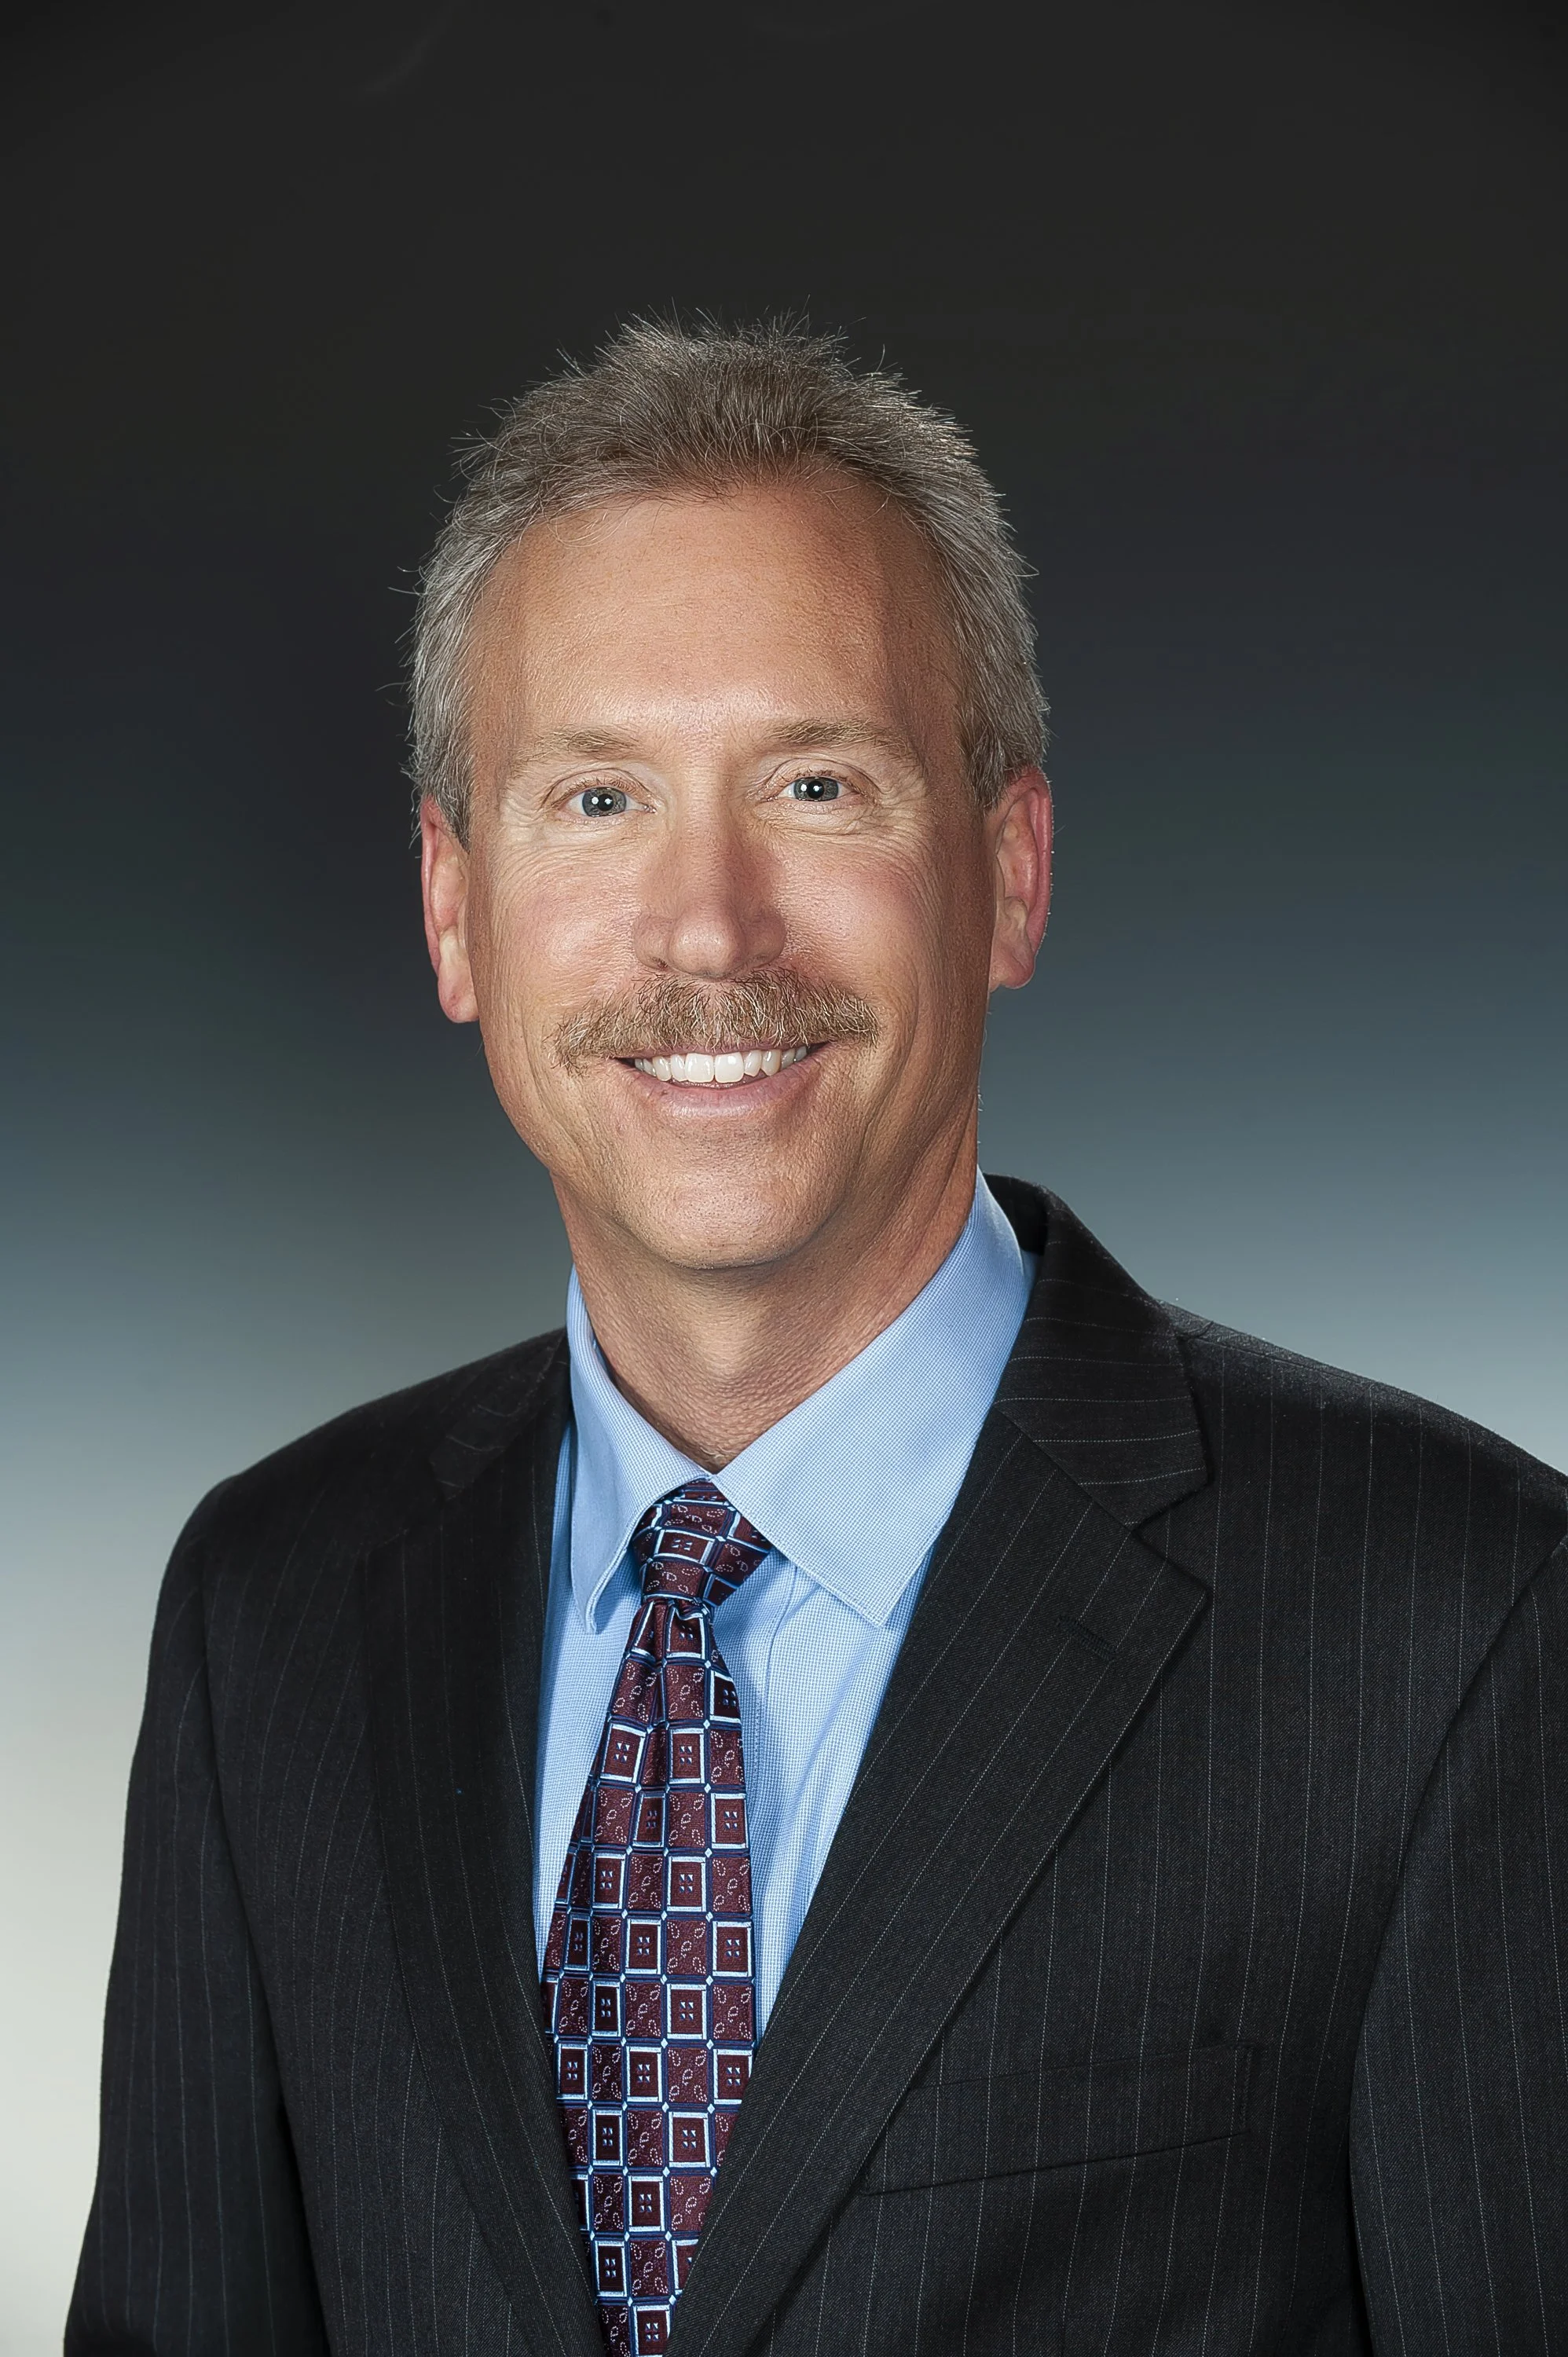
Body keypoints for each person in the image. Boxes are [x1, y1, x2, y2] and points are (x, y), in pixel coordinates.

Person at [69, 320, 1566, 2357]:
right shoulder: (274, 1608)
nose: (710, 928)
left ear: (1008, 871)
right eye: (598, 795)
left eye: (814, 784)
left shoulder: (1452, 1624)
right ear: (452, 909)